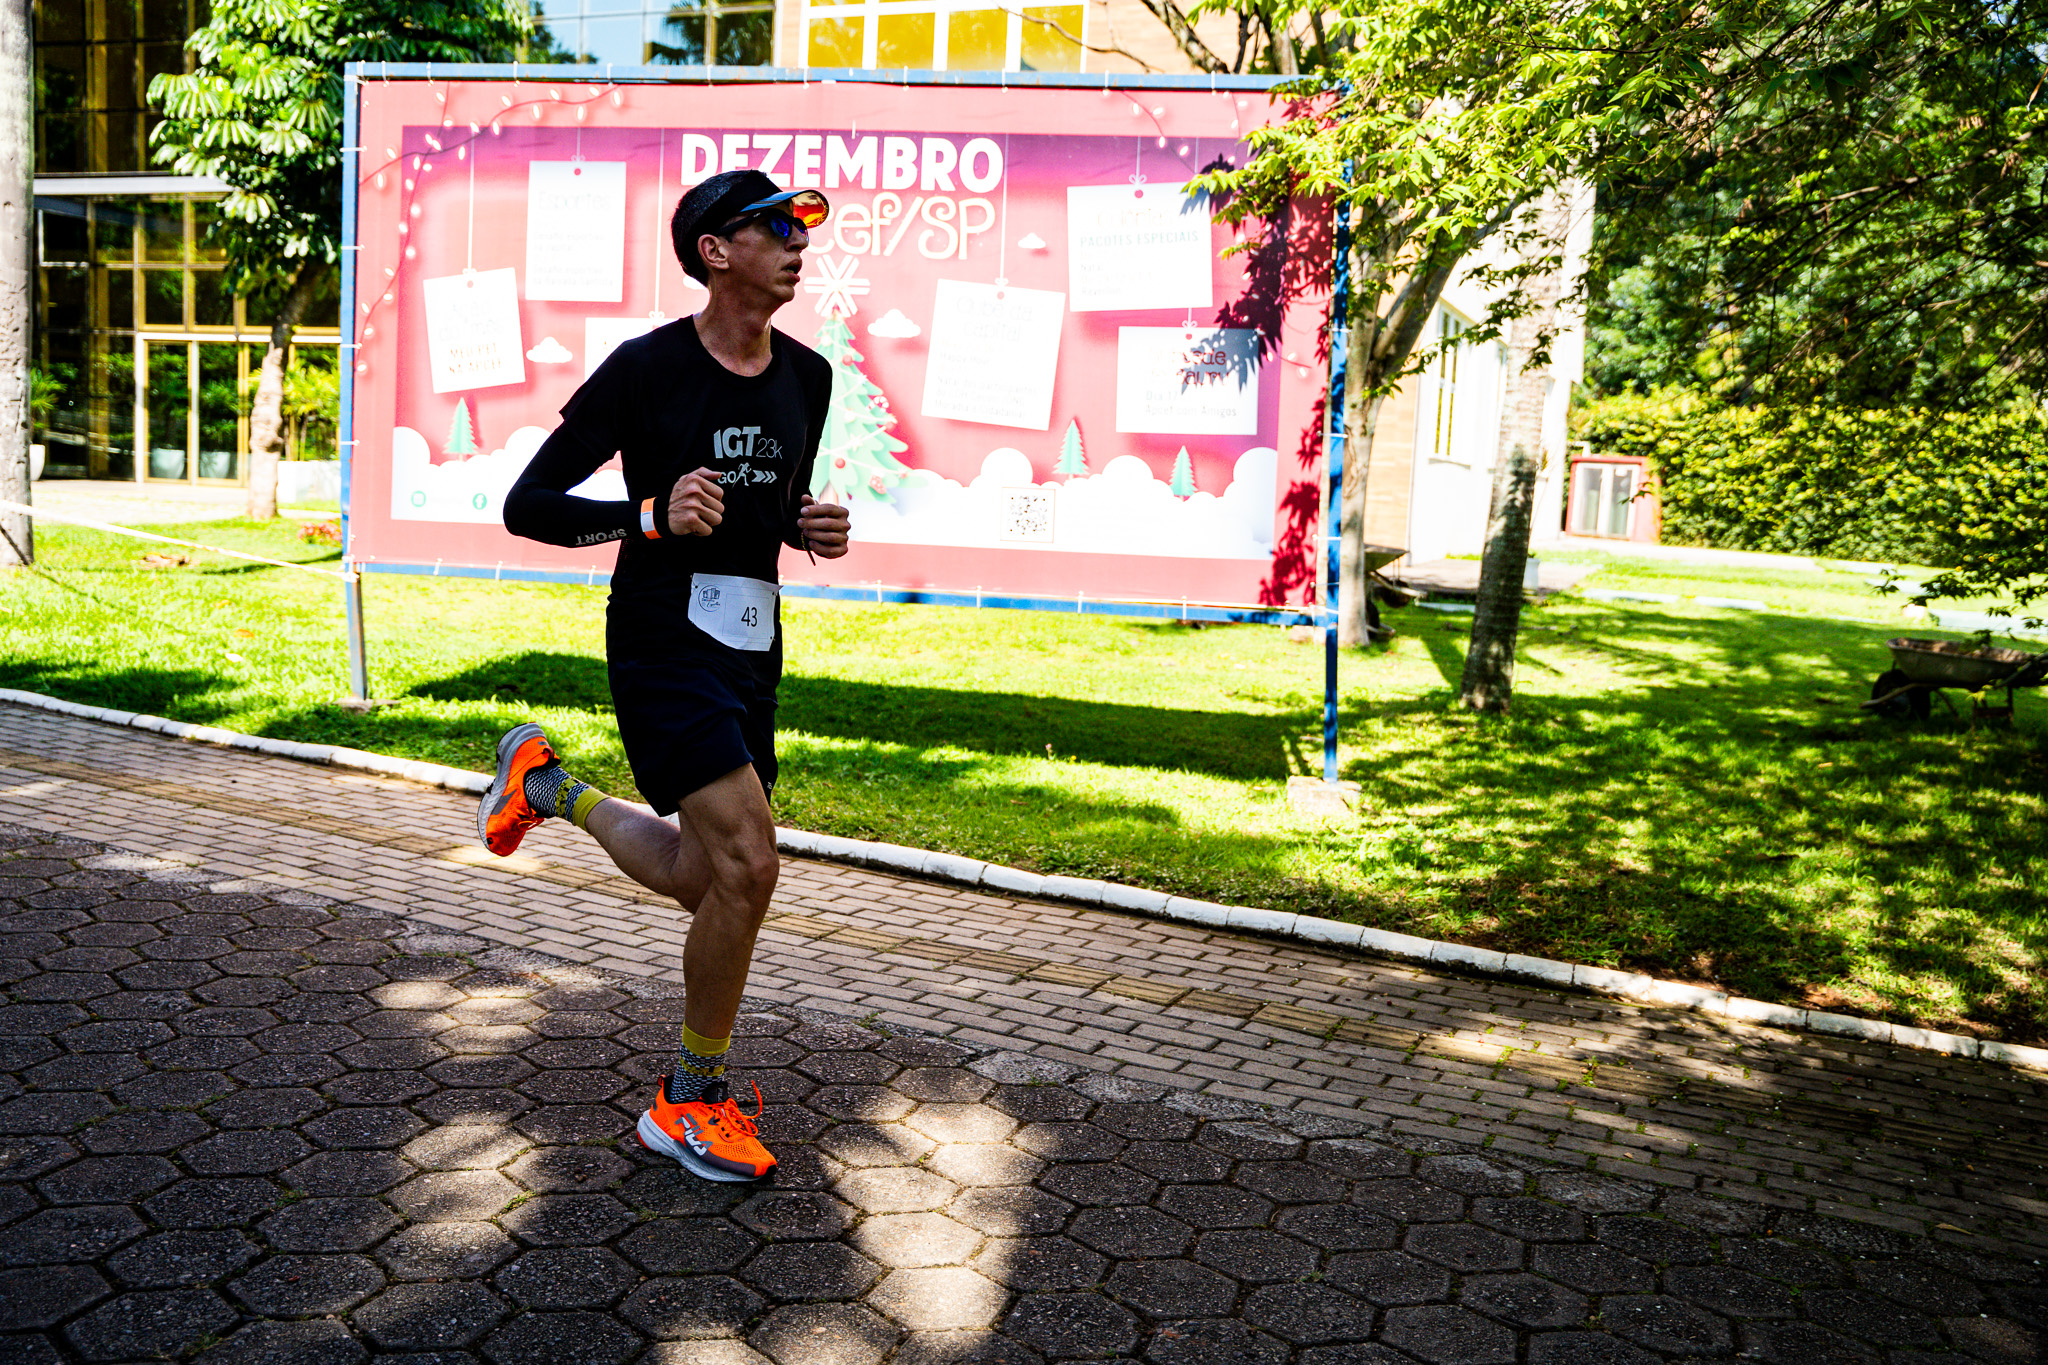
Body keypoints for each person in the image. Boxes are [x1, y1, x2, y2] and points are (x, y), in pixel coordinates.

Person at [480, 169, 851, 1182]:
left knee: (705, 876)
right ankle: (689, 1100)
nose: (797, 242)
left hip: (752, 642)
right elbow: (528, 505)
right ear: (715, 251)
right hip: (659, 636)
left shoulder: (808, 377)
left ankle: (546, 787)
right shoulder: (644, 370)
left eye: (801, 227)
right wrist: (647, 514)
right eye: (773, 226)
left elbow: (767, 505)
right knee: (750, 866)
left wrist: (806, 527)